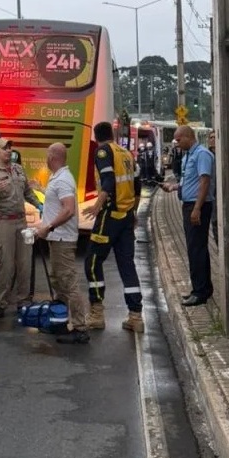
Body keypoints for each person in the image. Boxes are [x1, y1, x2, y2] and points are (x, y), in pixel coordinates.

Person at [81, 121, 145, 333]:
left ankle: (97, 313)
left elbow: (107, 182)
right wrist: (134, 213)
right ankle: (135, 316)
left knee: (92, 261)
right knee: (127, 265)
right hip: (126, 217)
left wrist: (96, 206)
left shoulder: (103, 152)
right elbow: (137, 187)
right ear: (112, 134)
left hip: (110, 216)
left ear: (96, 137)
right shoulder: (126, 154)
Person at [35, 143, 90, 345]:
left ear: (53, 157)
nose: (46, 159)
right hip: (56, 239)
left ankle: (80, 328)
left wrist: (47, 227)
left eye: (48, 155)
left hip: (62, 239)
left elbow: (68, 210)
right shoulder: (58, 177)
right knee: (58, 281)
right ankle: (59, 321)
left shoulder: (64, 180)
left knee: (68, 283)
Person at [0, 138, 43, 318]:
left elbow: (27, 192)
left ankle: (24, 301)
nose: (9, 151)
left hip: (21, 222)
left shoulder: (18, 169)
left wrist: (40, 204)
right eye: (4, 148)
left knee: (25, 263)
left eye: (10, 148)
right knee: (6, 265)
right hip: (4, 223)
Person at [161, 125, 215, 306]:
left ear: (188, 137)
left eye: (178, 139)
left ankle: (199, 292)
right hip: (189, 205)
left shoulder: (202, 154)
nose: (176, 143)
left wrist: (197, 208)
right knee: (196, 248)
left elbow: (204, 181)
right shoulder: (189, 155)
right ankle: (203, 288)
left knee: (196, 249)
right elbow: (189, 181)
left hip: (198, 206)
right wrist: (174, 187)